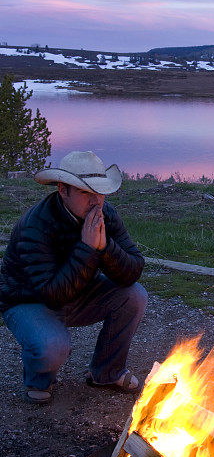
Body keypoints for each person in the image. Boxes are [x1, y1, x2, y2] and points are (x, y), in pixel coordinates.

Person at [0, 150, 147, 404]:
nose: (96, 201)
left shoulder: (105, 214)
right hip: (29, 299)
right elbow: (52, 295)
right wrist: (88, 249)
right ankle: (40, 379)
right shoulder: (36, 225)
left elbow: (133, 268)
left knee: (135, 295)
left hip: (76, 291)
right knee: (52, 347)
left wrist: (105, 247)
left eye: (99, 191)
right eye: (85, 192)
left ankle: (106, 373)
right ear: (62, 190)